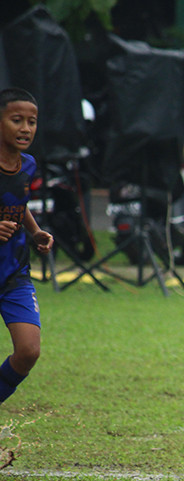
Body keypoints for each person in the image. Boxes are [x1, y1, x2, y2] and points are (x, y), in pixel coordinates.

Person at [0, 88, 53, 410]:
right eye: (16, 120)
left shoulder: (27, 165)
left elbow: (18, 203)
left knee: (29, 350)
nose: (25, 128)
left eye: (31, 122)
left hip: (14, 272)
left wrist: (34, 231)